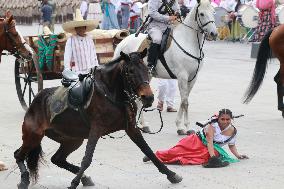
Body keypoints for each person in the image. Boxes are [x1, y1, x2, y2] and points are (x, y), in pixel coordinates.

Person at [143, 109, 249, 167]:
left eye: (228, 119)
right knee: (175, 151)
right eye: (222, 119)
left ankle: (178, 160)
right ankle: (153, 155)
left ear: (231, 119)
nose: (225, 122)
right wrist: (213, 158)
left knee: (194, 159)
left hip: (209, 150)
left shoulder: (233, 131)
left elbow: (232, 145)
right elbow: (210, 142)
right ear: (218, 118)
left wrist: (238, 155)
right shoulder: (212, 126)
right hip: (195, 141)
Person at [147, 0, 180, 74]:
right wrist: (168, 18)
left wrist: (177, 13)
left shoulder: (173, 0)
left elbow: (178, 10)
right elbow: (152, 13)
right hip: (156, 26)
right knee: (157, 39)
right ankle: (151, 65)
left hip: (170, 26)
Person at [63, 9, 99, 75]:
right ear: (75, 29)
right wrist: (67, 69)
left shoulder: (89, 39)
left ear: (85, 28)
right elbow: (67, 56)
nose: (80, 29)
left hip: (90, 70)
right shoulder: (71, 40)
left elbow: (93, 54)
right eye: (78, 28)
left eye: (82, 27)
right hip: (77, 72)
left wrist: (96, 67)